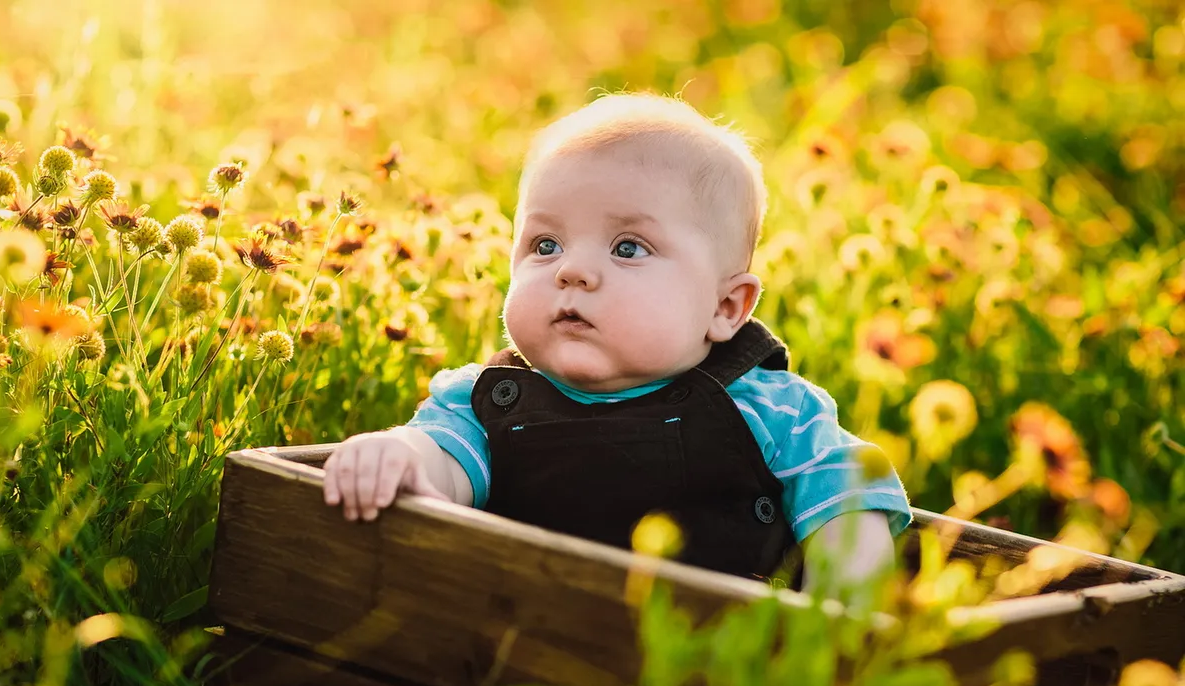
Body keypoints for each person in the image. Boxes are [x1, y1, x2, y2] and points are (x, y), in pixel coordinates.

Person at [322, 93, 912, 604]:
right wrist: (400, 455)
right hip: (508, 649)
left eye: (628, 248)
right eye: (545, 244)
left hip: (713, 669)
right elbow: (443, 464)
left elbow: (846, 498)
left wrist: (842, 603)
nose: (572, 270)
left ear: (725, 307)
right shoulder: (483, 404)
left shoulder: (775, 411)